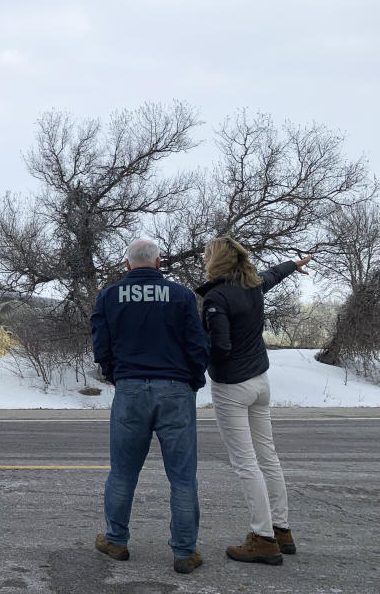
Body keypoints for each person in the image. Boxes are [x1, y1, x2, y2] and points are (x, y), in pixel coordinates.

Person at [91, 239, 211, 575]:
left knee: (123, 472)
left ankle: (116, 540)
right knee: (183, 478)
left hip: (130, 390)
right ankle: (185, 553)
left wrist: (119, 376)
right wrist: (192, 381)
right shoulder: (182, 295)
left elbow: (101, 346)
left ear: (127, 265)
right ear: (159, 263)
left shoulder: (109, 295)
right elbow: (198, 345)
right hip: (175, 390)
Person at [196, 236, 312, 565]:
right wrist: (295, 264)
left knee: (246, 463)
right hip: (261, 382)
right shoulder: (252, 285)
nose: (205, 260)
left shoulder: (217, 296)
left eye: (207, 255)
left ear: (216, 260)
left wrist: (195, 347)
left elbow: (220, 347)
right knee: (268, 457)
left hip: (232, 387)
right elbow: (274, 274)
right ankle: (282, 529)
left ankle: (263, 538)